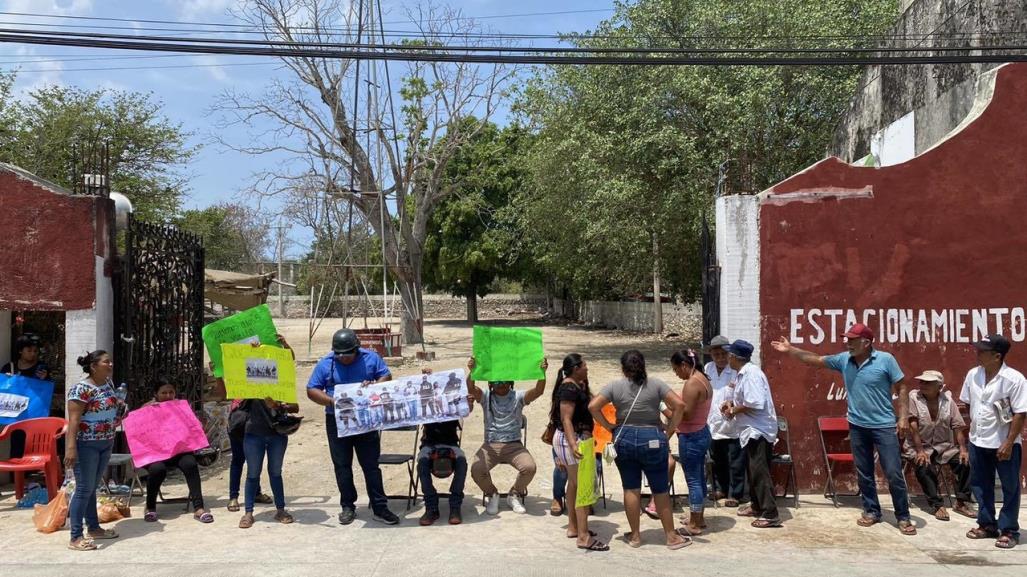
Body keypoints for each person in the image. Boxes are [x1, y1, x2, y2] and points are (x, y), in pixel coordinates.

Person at [772, 323, 915, 535]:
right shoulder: (844, 360)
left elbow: (902, 386)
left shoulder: (886, 360)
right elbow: (816, 360)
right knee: (864, 471)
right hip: (857, 426)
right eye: (847, 339)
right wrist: (791, 350)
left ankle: (903, 516)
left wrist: (903, 417)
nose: (847, 343)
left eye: (852, 340)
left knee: (893, 472)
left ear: (866, 342)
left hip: (884, 426)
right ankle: (871, 511)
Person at [590, 350, 689, 550]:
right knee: (660, 488)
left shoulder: (614, 386)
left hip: (624, 438)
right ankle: (671, 536)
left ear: (623, 368)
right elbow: (679, 405)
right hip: (652, 437)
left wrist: (609, 426)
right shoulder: (656, 384)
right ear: (643, 365)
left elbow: (593, 406)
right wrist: (669, 431)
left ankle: (635, 536)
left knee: (630, 488)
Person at [306, 328, 400, 525]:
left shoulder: (371, 358)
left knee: (371, 465)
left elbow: (386, 375)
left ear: (356, 349)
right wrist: (331, 401)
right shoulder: (326, 364)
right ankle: (348, 506)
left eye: (348, 354)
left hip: (366, 420)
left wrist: (374, 386)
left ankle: (380, 507)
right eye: (339, 355)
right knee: (342, 465)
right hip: (337, 421)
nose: (343, 358)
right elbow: (312, 389)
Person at [961, 334, 1027, 549]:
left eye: (982, 351)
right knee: (980, 485)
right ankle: (987, 524)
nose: (977, 353)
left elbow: (1020, 413)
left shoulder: (1014, 379)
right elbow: (968, 405)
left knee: (1010, 487)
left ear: (997, 356)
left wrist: (1008, 442)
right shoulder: (973, 375)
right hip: (978, 441)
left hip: (1003, 443)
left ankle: (1009, 529)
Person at [467, 356, 546, 516]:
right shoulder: (486, 397)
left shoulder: (518, 397)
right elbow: (471, 388)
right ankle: (492, 494)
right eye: (496, 382)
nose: (501, 385)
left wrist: (542, 372)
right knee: (477, 469)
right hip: (490, 445)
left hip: (514, 445)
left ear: (510, 382)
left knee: (529, 468)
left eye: (504, 381)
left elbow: (538, 391)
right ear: (490, 383)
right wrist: (472, 371)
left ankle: (514, 494)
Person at [64, 350, 124, 551]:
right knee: (83, 489)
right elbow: (73, 420)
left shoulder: (108, 384)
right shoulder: (80, 389)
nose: (110, 365)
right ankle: (75, 536)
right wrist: (71, 448)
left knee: (92, 487)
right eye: (106, 362)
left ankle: (94, 527)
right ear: (93, 366)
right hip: (86, 444)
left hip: (105, 441)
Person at [720, 340, 781, 528]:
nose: (727, 357)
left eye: (729, 355)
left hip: (758, 431)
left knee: (759, 471)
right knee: (753, 470)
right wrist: (730, 404)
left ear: (735, 357)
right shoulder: (742, 374)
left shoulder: (752, 374)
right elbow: (740, 397)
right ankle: (756, 505)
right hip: (749, 430)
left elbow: (754, 402)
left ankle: (770, 512)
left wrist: (733, 411)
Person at [903, 370, 973, 521]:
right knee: (923, 465)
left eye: (928, 382)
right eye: (922, 381)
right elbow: (913, 425)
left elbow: (957, 426)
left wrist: (962, 449)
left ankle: (961, 502)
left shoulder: (948, 401)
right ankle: (936, 505)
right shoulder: (914, 397)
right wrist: (920, 451)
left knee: (966, 462)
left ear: (939, 386)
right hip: (918, 446)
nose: (923, 384)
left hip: (943, 447)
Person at [141, 378, 212, 523]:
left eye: (171, 392)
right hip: (156, 455)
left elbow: (194, 428)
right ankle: (150, 507)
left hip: (178, 451)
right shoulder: (146, 409)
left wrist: (198, 425)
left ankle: (199, 508)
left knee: (190, 464)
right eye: (163, 393)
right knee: (157, 469)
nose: (168, 396)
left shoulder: (181, 407)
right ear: (156, 394)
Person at [237, 392, 300, 529]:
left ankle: (280, 509)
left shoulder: (281, 382)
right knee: (253, 474)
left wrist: (278, 405)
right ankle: (248, 512)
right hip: (253, 433)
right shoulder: (248, 385)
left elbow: (295, 407)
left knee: (275, 472)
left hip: (277, 434)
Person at [669, 349, 713, 535]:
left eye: (676, 369)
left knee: (693, 480)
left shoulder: (691, 384)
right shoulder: (703, 379)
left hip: (691, 436)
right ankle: (698, 518)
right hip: (701, 432)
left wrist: (667, 408)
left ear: (684, 365)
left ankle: (694, 524)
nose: (676, 373)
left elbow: (685, 415)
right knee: (699, 478)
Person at [417, 370, 467, 525]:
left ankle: (455, 505)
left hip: (450, 443)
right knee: (422, 462)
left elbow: (466, 408)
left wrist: (468, 401)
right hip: (429, 443)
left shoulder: (453, 402)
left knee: (461, 461)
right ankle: (431, 507)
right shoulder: (425, 403)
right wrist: (425, 377)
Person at [705, 335, 747, 507]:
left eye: (723, 354)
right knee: (717, 459)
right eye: (716, 355)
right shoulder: (708, 369)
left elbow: (744, 395)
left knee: (736, 462)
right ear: (711, 355)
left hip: (733, 423)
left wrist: (734, 407)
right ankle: (720, 489)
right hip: (713, 422)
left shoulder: (736, 371)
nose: (720, 358)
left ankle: (736, 494)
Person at [3, 334, 51, 460]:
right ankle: (18, 474)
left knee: (34, 444)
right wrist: (7, 380)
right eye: (29, 351)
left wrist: (44, 378)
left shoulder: (41, 368)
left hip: (33, 413)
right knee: (17, 443)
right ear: (20, 351)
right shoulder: (9, 367)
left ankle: (32, 473)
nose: (33, 354)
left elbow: (46, 388)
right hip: (15, 414)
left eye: (35, 351)